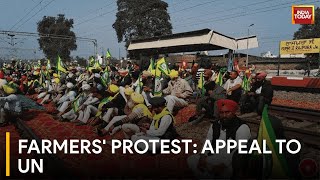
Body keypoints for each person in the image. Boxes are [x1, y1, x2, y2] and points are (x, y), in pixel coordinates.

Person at [188, 99, 251, 179]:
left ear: (233, 113)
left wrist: (223, 165)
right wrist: (203, 156)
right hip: (215, 155)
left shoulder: (242, 127)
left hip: (231, 161)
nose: (224, 115)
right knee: (191, 160)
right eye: (221, 113)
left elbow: (238, 151)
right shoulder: (215, 124)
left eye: (227, 112)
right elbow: (208, 141)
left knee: (224, 173)